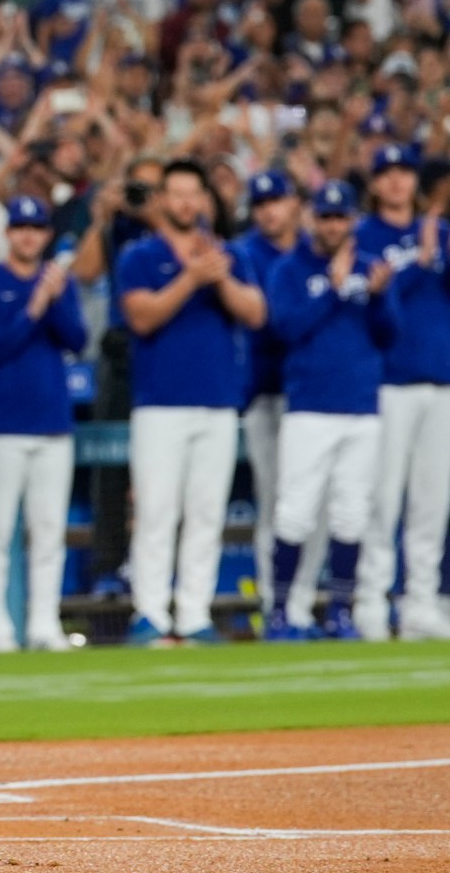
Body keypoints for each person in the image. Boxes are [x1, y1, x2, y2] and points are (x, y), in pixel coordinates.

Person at [115, 159, 266, 645]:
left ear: (204, 200)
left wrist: (217, 276)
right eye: (174, 193)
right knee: (157, 510)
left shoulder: (228, 255)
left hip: (218, 400)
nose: (184, 203)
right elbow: (141, 317)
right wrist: (191, 278)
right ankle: (150, 612)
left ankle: (195, 612)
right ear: (160, 200)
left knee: (206, 512)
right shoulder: (140, 256)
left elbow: (256, 312)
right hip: (160, 402)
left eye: (191, 194)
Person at [263, 180, 394, 641]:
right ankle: (279, 612)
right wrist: (333, 290)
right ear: (311, 219)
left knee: (351, 515)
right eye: (326, 216)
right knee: (294, 512)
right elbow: (285, 327)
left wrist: (378, 297)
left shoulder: (368, 265)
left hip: (361, 404)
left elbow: (388, 333)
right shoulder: (289, 269)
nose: (333, 225)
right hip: (310, 406)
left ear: (352, 220)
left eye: (341, 217)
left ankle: (340, 611)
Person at [0, 195, 86, 654]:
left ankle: (44, 624)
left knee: (48, 532)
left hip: (52, 423)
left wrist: (55, 301)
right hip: (1, 423)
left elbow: (77, 339)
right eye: (20, 227)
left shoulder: (60, 282)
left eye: (36, 228)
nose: (28, 235)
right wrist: (36, 305)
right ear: (8, 233)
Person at [352, 144, 450, 640]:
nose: (396, 182)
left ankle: (422, 602)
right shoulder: (363, 235)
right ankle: (372, 602)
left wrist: (439, 255)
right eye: (386, 173)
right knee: (383, 498)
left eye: (404, 173)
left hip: (443, 381)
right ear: (373, 184)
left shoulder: (443, 232)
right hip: (389, 382)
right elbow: (371, 302)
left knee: (432, 503)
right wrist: (419, 263)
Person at [232, 171, 301, 623]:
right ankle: (274, 601)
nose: (268, 210)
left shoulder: (314, 249)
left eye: (275, 200)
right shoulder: (245, 253)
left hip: (313, 393)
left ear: (293, 203)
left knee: (315, 505)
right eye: (260, 204)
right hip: (264, 393)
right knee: (276, 503)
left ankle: (303, 602)